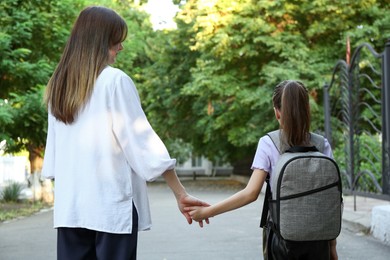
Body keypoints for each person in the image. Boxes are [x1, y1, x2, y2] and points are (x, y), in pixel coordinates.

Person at [42, 6, 208, 260]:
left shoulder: (58, 87)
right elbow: (144, 146)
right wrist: (181, 193)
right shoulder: (115, 81)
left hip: (71, 210)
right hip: (111, 207)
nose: (120, 47)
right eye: (115, 40)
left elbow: (55, 160)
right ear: (98, 41)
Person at [186, 80, 338, 260]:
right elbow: (334, 199)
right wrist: (332, 245)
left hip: (282, 240)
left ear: (277, 112)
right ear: (307, 110)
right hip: (319, 240)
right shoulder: (322, 144)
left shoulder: (269, 143)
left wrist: (207, 212)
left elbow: (250, 193)